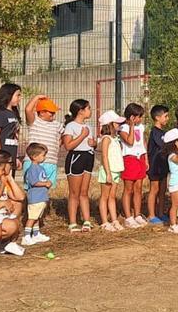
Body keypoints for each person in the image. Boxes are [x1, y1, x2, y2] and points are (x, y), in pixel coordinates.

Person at [62, 99, 96, 232]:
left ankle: (86, 220)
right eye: (88, 108)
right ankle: (72, 222)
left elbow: (92, 143)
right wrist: (82, 136)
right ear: (81, 111)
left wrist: (94, 144)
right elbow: (68, 145)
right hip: (76, 158)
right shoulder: (71, 126)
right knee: (74, 193)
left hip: (89, 157)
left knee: (84, 192)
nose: (90, 111)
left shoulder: (89, 126)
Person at [23, 95, 62, 194]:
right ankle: (29, 208)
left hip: (50, 161)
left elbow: (62, 138)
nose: (53, 114)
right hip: (34, 162)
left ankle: (41, 208)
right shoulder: (34, 121)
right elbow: (28, 109)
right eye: (51, 112)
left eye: (54, 112)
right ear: (42, 112)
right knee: (31, 189)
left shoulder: (57, 124)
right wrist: (37, 97)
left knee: (45, 190)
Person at [119, 103, 148, 229]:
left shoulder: (141, 127)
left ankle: (137, 214)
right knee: (128, 189)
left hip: (140, 157)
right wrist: (131, 126)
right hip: (129, 159)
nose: (140, 119)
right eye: (138, 116)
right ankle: (128, 217)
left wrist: (146, 159)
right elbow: (130, 141)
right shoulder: (123, 128)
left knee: (138, 188)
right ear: (132, 117)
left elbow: (143, 142)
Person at [97, 110, 126, 232]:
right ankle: (104, 221)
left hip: (116, 171)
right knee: (105, 196)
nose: (119, 125)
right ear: (110, 124)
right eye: (117, 123)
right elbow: (104, 157)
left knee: (112, 196)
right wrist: (108, 173)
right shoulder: (106, 139)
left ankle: (114, 220)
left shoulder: (116, 138)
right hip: (108, 171)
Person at [22, 143, 53, 245]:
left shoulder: (40, 168)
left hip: (40, 197)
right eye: (43, 155)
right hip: (35, 198)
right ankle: (26, 236)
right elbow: (34, 182)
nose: (44, 157)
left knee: (36, 217)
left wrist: (47, 183)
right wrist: (45, 183)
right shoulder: (32, 169)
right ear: (35, 157)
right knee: (32, 218)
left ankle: (36, 234)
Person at [146, 105, 170, 224]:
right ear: (157, 117)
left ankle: (160, 213)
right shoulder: (155, 132)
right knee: (154, 190)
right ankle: (151, 215)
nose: (167, 119)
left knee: (162, 190)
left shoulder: (163, 132)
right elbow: (163, 145)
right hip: (155, 166)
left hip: (163, 165)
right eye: (165, 116)